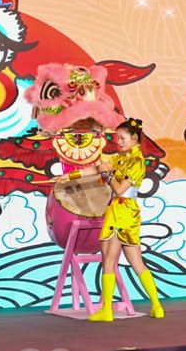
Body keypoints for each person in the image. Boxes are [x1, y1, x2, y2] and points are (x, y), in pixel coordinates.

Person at [57, 118, 164, 321]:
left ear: (134, 138)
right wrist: (70, 176)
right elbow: (95, 169)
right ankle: (156, 306)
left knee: (109, 261)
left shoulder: (136, 161)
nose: (119, 142)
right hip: (125, 212)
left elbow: (119, 189)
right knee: (135, 262)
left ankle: (107, 310)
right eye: (117, 139)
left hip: (121, 211)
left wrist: (107, 173)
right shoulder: (121, 158)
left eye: (123, 138)